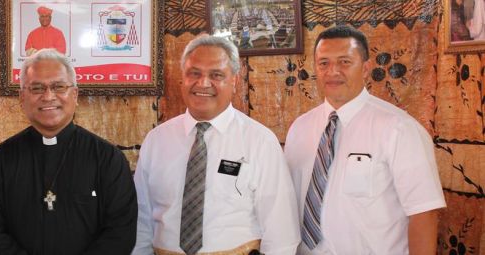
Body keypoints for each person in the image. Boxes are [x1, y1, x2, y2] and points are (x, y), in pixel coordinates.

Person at [284, 25, 446, 254]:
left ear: (366, 67)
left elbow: (424, 213)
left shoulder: (399, 129)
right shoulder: (299, 129)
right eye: (324, 63)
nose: (333, 71)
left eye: (344, 62)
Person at [133, 35, 299, 255]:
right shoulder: (156, 141)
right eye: (194, 73)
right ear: (182, 78)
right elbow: (141, 220)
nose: (203, 83)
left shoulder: (260, 141)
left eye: (216, 75)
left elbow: (281, 231)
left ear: (234, 81)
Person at [0, 48, 137, 254]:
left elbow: (120, 232)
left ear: (75, 95)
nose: (48, 96)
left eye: (59, 86)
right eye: (37, 88)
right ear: (22, 98)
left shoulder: (108, 159)